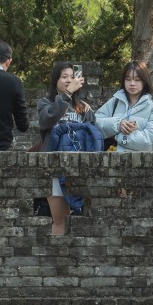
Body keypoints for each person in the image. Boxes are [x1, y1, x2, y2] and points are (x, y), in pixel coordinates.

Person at [37, 62, 97, 235]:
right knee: (60, 219)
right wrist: (67, 94)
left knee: (81, 218)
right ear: (56, 79)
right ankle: (57, 258)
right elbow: (46, 120)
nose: (68, 81)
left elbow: (93, 136)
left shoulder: (83, 107)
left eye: (72, 77)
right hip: (54, 169)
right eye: (64, 77)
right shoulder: (45, 103)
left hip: (79, 168)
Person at [95, 61, 153, 152]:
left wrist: (119, 136)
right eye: (128, 79)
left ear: (144, 81)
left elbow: (151, 140)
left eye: (137, 79)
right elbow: (95, 121)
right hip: (113, 163)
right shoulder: (115, 102)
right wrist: (117, 125)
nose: (132, 83)